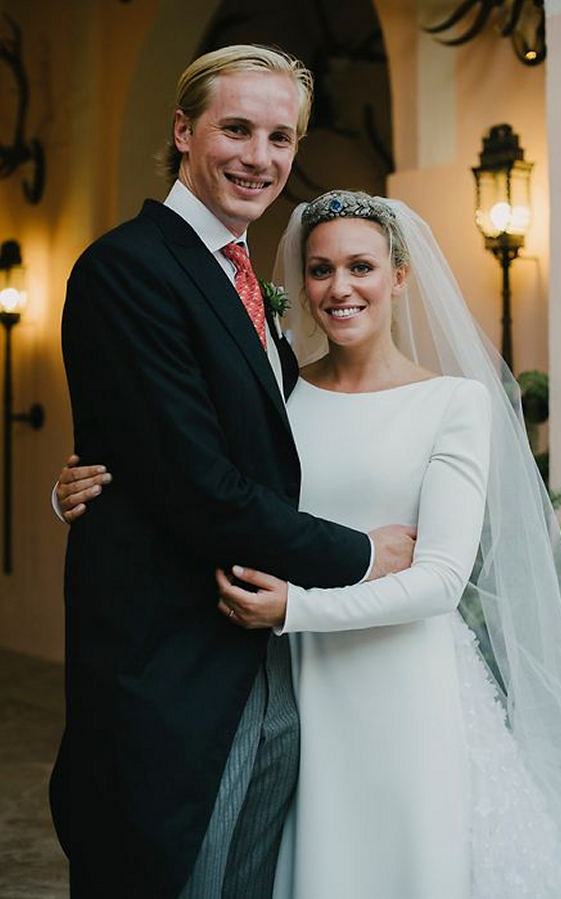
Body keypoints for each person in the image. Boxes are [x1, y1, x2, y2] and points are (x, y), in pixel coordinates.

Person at [51, 51, 414, 899]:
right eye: (237, 129)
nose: (261, 156)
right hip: (170, 672)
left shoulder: (248, 280)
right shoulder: (129, 268)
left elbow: (264, 450)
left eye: (281, 136)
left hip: (268, 655)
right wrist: (363, 556)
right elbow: (198, 484)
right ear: (183, 132)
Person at [208, 190, 561, 897]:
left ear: (399, 275)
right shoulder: (280, 397)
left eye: (361, 266)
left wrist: (294, 607)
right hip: (292, 684)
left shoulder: (452, 403)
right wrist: (75, 488)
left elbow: (440, 580)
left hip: (402, 686)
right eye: (321, 270)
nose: (340, 288)